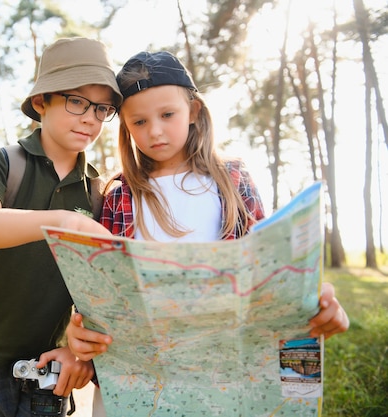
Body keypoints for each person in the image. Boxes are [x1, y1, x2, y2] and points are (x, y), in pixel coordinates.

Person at [64, 50, 350, 375]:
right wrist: (81, 333)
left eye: (167, 114)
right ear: (127, 128)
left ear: (192, 111)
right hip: (144, 375)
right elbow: (99, 290)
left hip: (226, 371)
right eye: (140, 122)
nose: (155, 131)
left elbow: (271, 269)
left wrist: (317, 300)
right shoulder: (118, 194)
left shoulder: (233, 180)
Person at [0, 37, 122, 417]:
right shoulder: (3, 162)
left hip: (50, 359)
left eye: (102, 108)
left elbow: (97, 284)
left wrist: (77, 349)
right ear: (41, 101)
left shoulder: (97, 191)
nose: (89, 118)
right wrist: (61, 222)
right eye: (77, 101)